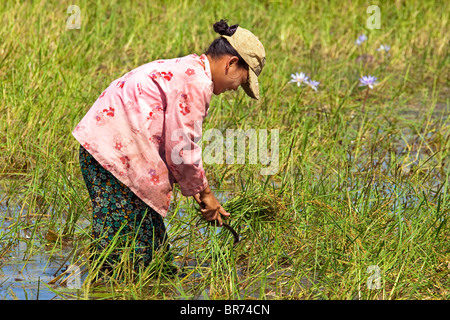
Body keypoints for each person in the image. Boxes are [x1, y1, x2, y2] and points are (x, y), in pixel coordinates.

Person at [72, 19, 266, 272]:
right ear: (231, 64)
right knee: (122, 251)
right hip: (113, 159)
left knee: (150, 252)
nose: (235, 89)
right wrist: (205, 192)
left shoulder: (187, 69)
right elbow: (182, 149)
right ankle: (104, 285)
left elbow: (170, 140)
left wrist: (194, 187)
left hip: (108, 153)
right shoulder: (196, 82)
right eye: (241, 82)